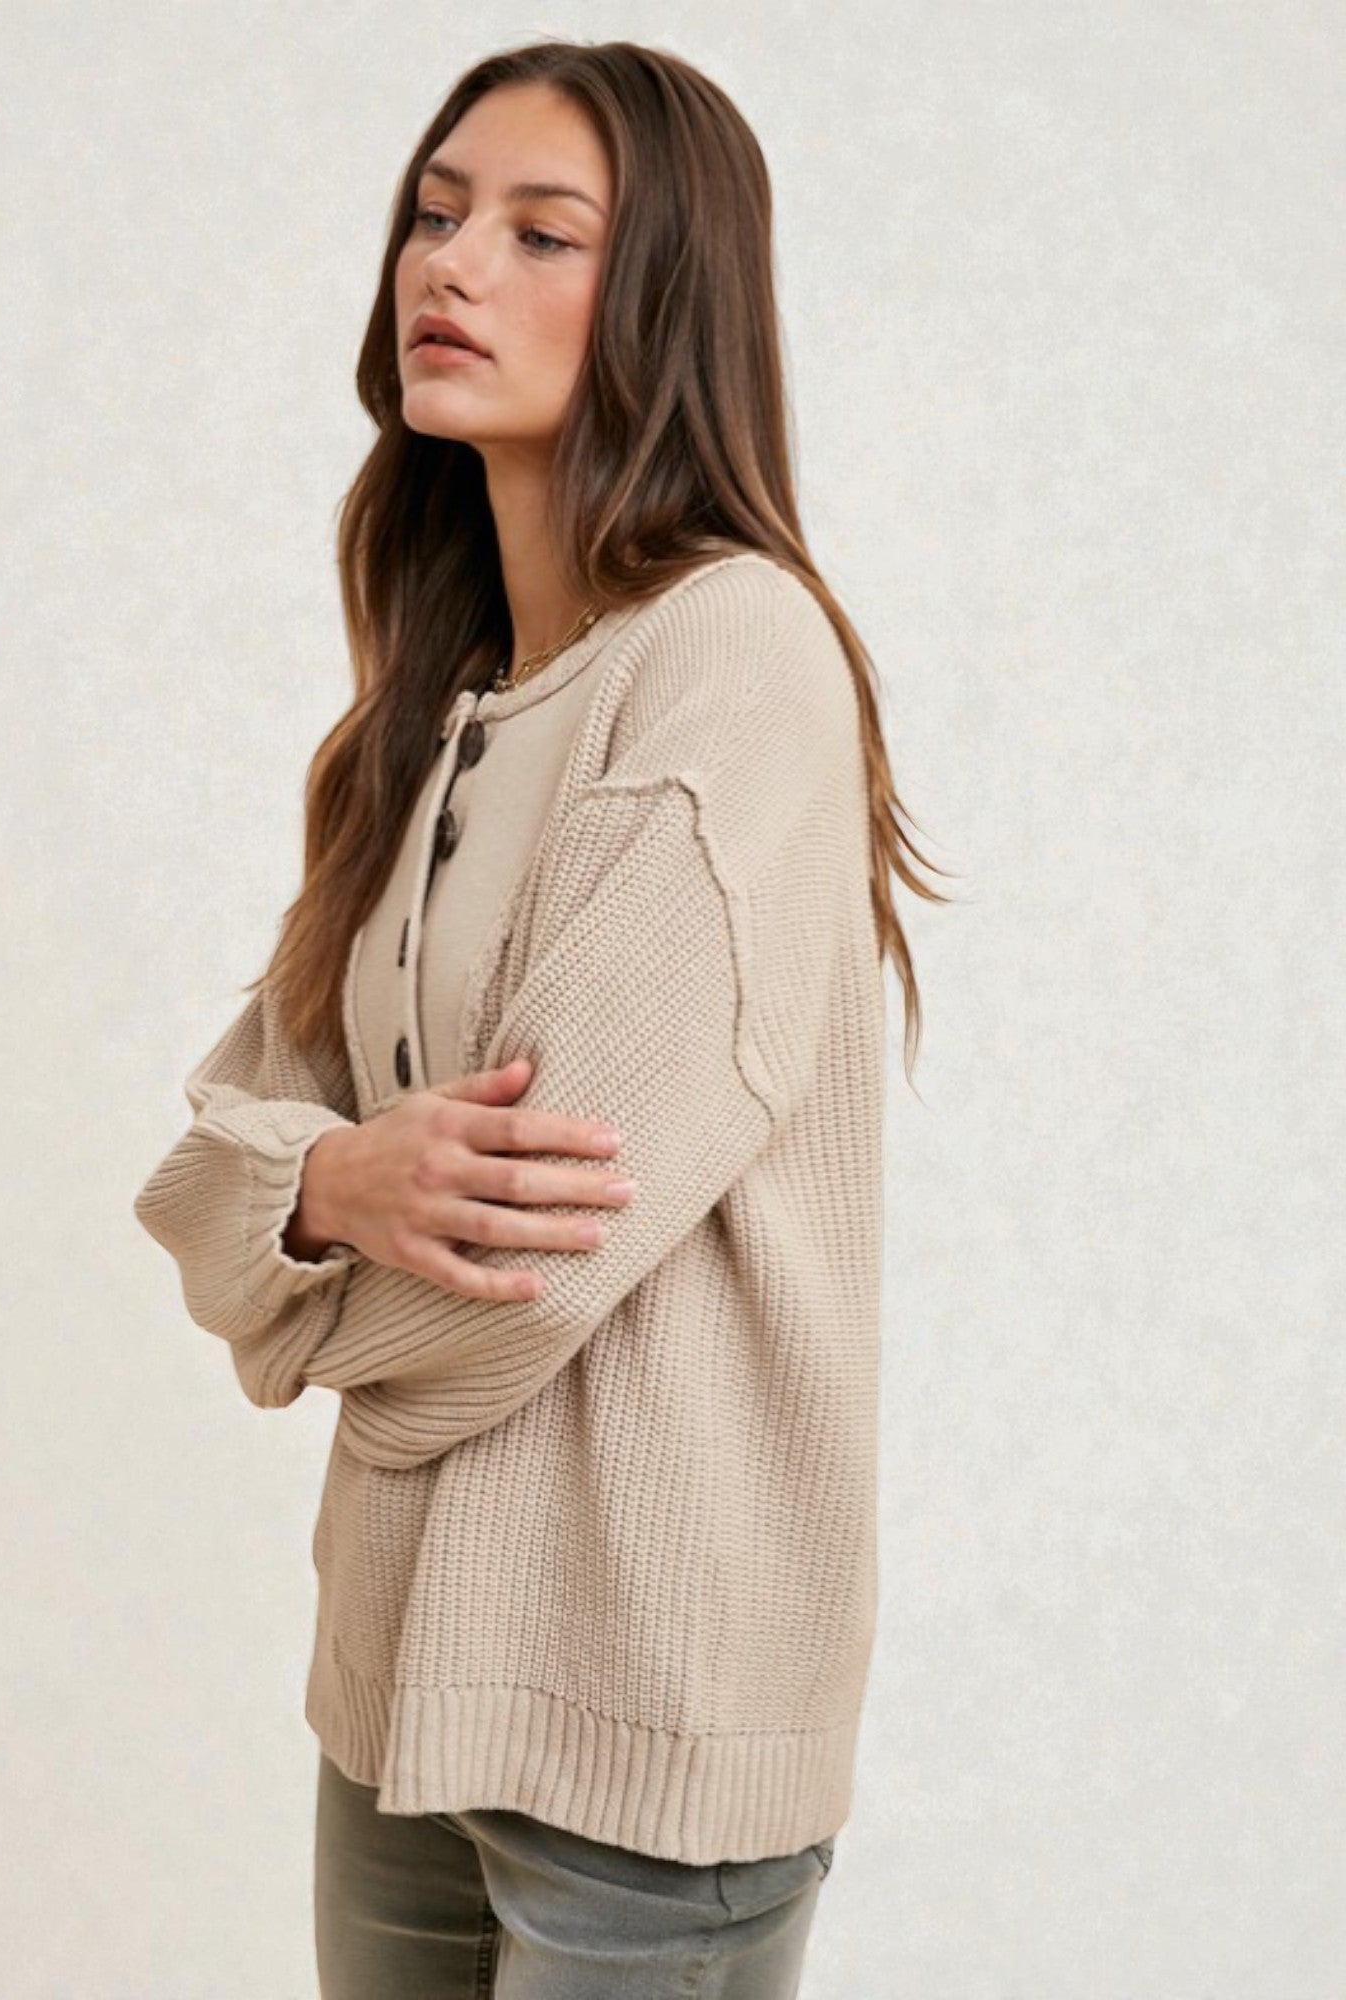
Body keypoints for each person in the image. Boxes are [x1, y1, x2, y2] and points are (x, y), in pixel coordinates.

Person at [133, 36, 947, 1999]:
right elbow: (203, 1163)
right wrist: (325, 1179)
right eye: (432, 213)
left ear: (665, 295)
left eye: (535, 230)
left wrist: (298, 1273)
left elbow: (523, 1258)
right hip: (394, 1692)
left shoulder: (734, 661)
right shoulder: (431, 719)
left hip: (646, 1719)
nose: (449, 267)